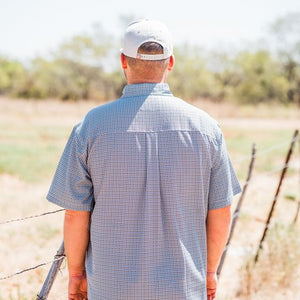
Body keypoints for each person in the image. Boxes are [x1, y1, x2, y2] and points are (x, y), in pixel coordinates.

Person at [47, 18, 241, 300]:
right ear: (170, 62)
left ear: (123, 61)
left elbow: (76, 213)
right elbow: (221, 211)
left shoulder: (91, 126)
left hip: (110, 289)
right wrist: (209, 273)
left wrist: (76, 275)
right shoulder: (206, 127)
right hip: (184, 288)